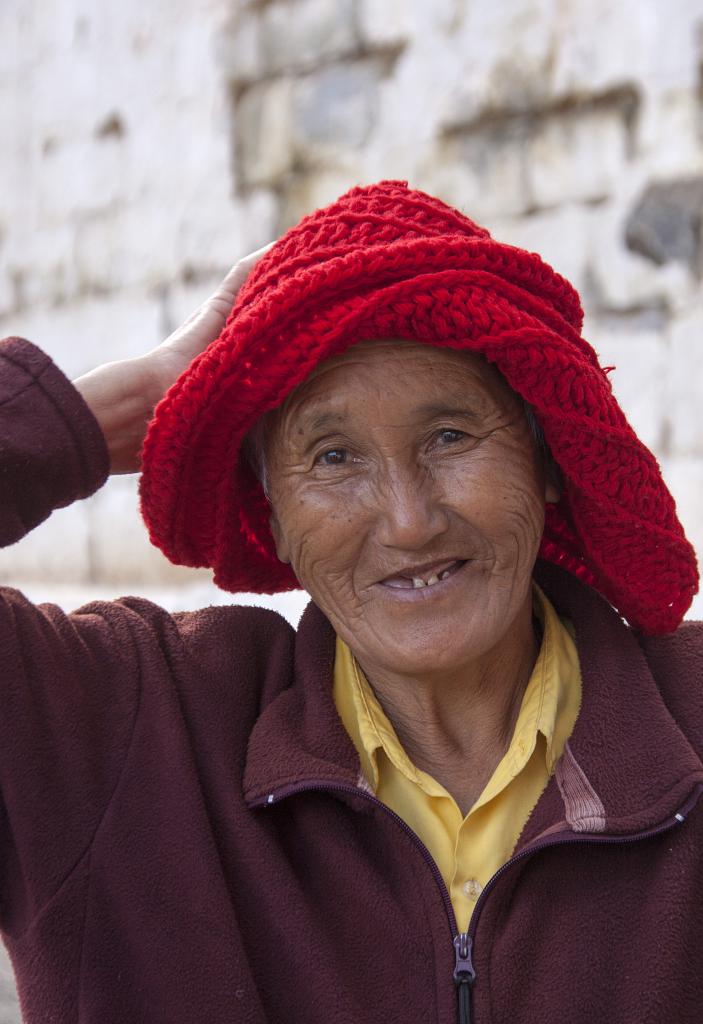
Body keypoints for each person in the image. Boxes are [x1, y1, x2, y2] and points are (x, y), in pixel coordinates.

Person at [0, 180, 701, 1024]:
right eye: (330, 457)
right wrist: (114, 406)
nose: (407, 519)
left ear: (545, 461)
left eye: (450, 436)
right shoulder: (121, 734)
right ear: (272, 514)